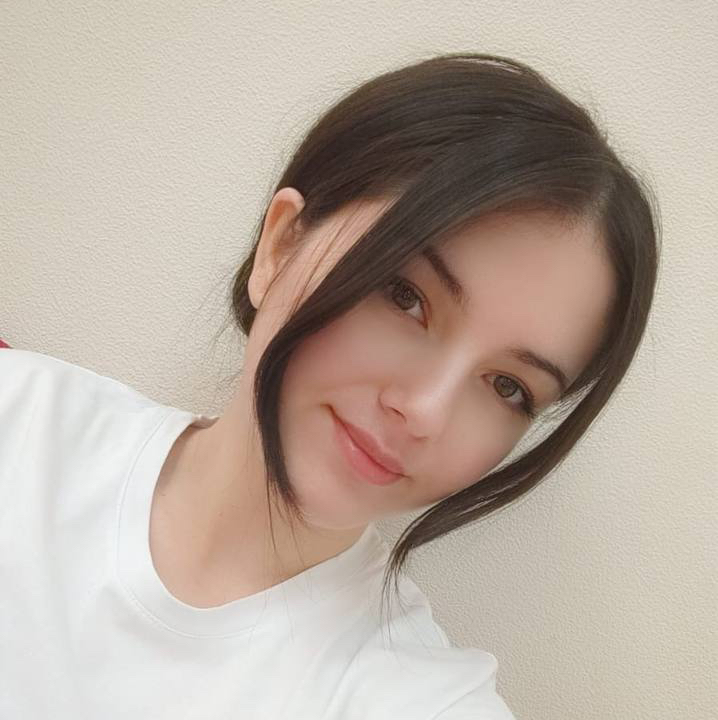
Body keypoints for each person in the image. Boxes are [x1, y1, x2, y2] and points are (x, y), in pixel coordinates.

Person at [0, 52, 660, 719]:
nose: (426, 411)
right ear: (281, 247)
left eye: (507, 387)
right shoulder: (22, 418)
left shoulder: (419, 698)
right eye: (405, 296)